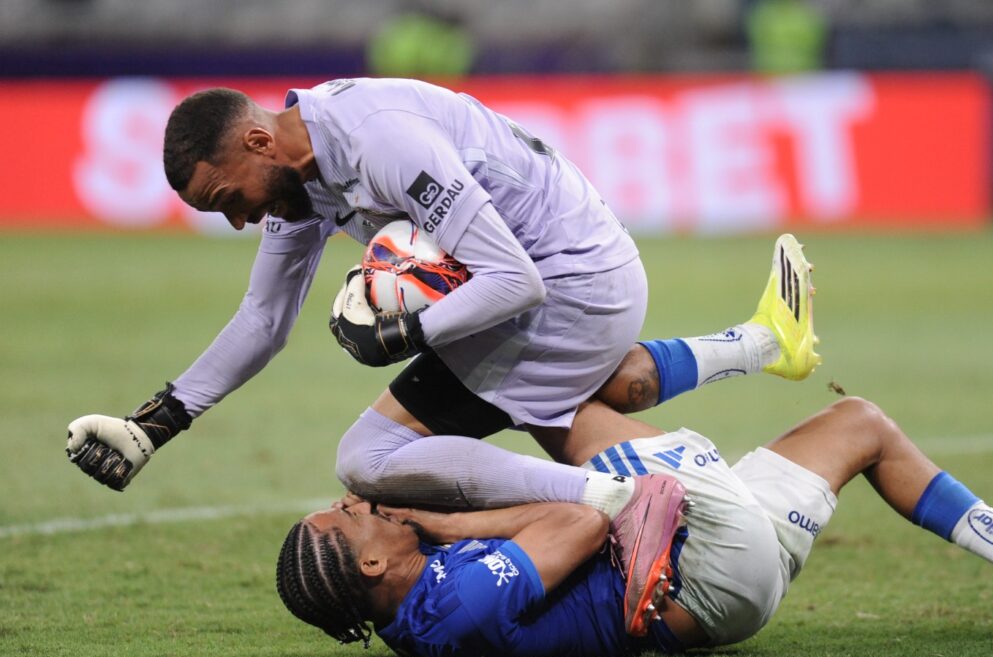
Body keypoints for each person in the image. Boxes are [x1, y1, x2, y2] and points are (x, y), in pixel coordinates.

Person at [63, 77, 821, 500]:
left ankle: (649, 504)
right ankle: (761, 343)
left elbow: (513, 279)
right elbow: (264, 317)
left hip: (570, 284)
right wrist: (156, 423)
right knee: (584, 400)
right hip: (579, 276)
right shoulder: (300, 175)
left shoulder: (379, 143)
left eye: (229, 198)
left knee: (374, 456)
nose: (238, 222)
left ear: (260, 142)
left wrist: (406, 334)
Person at [277, 398, 993, 657]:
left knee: (859, 426)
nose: (368, 501)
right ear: (369, 560)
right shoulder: (457, 601)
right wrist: (447, 510)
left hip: (724, 568)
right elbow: (582, 517)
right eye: (357, 513)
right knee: (561, 401)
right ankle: (754, 341)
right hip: (701, 584)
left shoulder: (424, 592)